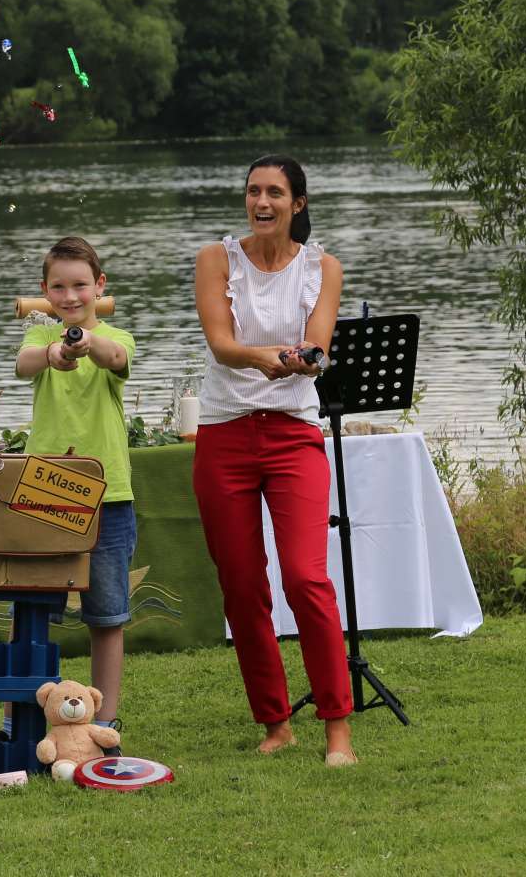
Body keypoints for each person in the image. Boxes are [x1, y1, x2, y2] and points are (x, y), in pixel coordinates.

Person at [192, 155, 355, 767]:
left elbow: (318, 343)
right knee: (242, 586)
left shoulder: (324, 267)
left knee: (305, 577)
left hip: (292, 436)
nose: (262, 202)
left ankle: (337, 727)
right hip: (225, 435)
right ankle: (275, 721)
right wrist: (266, 358)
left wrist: (307, 360)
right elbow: (222, 344)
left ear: (298, 204)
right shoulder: (216, 259)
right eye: (254, 191)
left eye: (275, 193)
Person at [6, 235, 136, 751]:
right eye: (58, 287)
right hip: (46, 491)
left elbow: (114, 355)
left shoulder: (117, 336)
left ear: (98, 286)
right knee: (34, 611)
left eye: (80, 285)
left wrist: (85, 343)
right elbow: (26, 364)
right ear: (44, 291)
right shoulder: (35, 339)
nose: (69, 294)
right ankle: (27, 720)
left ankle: (109, 722)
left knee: (106, 616)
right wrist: (57, 350)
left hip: (109, 493)